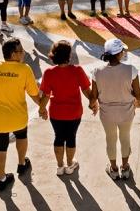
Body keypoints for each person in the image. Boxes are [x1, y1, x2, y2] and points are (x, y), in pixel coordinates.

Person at [0, 38, 41, 192]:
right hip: (17, 117)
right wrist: (43, 106)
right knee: (21, 136)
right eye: (21, 51)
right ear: (14, 54)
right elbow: (34, 94)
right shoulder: (25, 69)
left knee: (0, 146)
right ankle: (21, 164)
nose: (24, 53)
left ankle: (1, 179)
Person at [38, 40, 96, 176]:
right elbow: (87, 91)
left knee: (58, 137)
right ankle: (70, 165)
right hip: (74, 113)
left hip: (56, 113)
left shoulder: (49, 72)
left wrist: (42, 109)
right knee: (71, 137)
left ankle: (60, 166)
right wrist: (93, 103)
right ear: (69, 55)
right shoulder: (77, 70)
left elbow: (46, 95)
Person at [91, 38, 140, 180]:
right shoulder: (131, 70)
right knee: (125, 138)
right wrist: (136, 102)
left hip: (107, 114)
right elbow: (139, 96)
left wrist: (94, 106)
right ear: (119, 53)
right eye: (123, 51)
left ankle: (113, 169)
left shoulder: (96, 72)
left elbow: (93, 97)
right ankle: (125, 168)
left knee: (110, 140)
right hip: (126, 113)